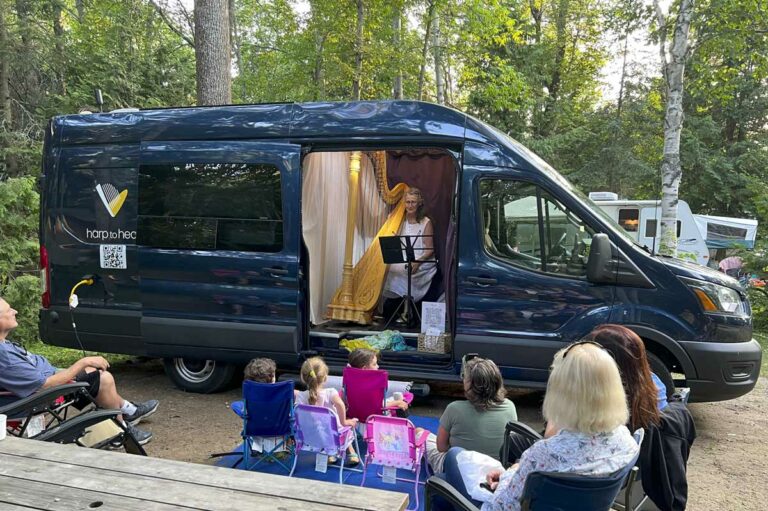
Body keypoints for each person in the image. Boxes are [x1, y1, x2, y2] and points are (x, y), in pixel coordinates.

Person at [440, 342, 639, 511]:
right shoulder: (626, 441)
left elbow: (500, 506)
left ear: (561, 393)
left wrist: (507, 478)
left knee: (449, 466)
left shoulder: (544, 453)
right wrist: (512, 473)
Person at [0, 297, 158, 445]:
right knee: (103, 379)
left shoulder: (4, 345)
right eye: (8, 310)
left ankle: (128, 411)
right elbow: (44, 385)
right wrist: (82, 362)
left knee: (92, 371)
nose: (15, 311)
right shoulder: (4, 356)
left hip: (40, 386)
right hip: (35, 400)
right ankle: (121, 431)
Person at [425, 357, 518, 473]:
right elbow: (512, 445)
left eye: (465, 377)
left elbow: (441, 447)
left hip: (458, 470)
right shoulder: (510, 407)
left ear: (469, 385)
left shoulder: (454, 409)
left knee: (419, 433)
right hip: (496, 471)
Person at [382, 187, 438, 324]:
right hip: (404, 257)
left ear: (419, 204)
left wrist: (418, 262)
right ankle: (401, 305)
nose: (410, 205)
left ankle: (407, 310)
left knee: (403, 269)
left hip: (422, 259)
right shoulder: (399, 220)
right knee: (389, 268)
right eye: (407, 202)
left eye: (413, 202)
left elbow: (429, 250)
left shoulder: (426, 222)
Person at [296, 356, 360, 466]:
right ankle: (351, 453)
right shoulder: (330, 392)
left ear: (303, 377)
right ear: (325, 377)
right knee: (346, 427)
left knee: (326, 428)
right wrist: (344, 421)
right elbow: (340, 404)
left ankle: (330, 454)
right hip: (334, 435)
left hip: (310, 436)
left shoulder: (301, 396)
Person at [347, 348, 410, 415]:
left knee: (396, 398)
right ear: (364, 368)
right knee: (402, 401)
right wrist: (397, 403)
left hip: (354, 414)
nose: (378, 366)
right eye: (374, 364)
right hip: (373, 417)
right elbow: (377, 406)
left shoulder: (350, 380)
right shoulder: (370, 385)